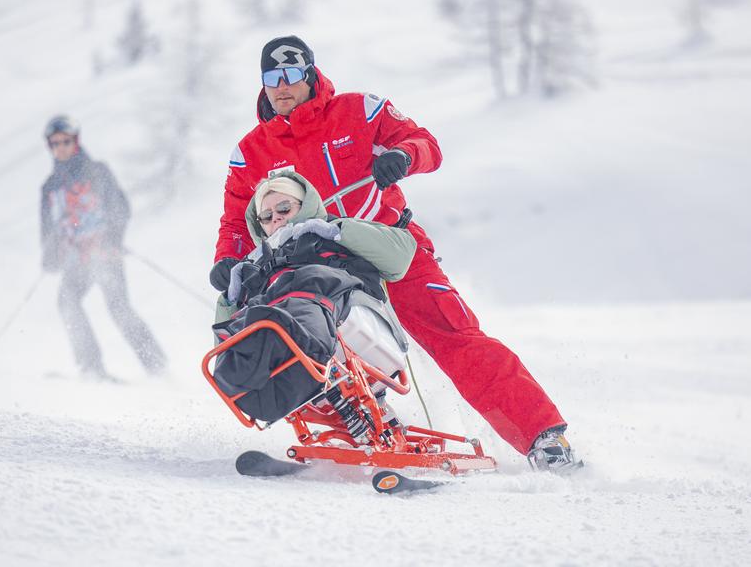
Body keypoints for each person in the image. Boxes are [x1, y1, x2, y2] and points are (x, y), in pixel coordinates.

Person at [211, 36, 580, 471]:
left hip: (390, 244)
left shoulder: (358, 111)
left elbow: (425, 144)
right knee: (307, 338)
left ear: (310, 73)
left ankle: (544, 437)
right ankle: (365, 429)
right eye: (271, 78)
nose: (282, 86)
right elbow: (236, 222)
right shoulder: (251, 152)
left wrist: (403, 156)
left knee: (454, 335)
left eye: (291, 74)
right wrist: (227, 259)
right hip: (319, 263)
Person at [212, 171, 416, 422]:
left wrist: (336, 231)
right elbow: (224, 341)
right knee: (249, 320)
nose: (276, 218)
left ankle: (300, 346)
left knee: (306, 280)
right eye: (266, 216)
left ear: (304, 205)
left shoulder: (333, 230)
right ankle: (252, 377)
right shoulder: (257, 268)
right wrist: (230, 298)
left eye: (284, 208)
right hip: (294, 347)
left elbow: (400, 258)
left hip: (354, 315)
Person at [40, 115, 166, 379]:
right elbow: (48, 227)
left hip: (104, 252)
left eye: (65, 141)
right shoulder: (50, 187)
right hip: (76, 257)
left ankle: (157, 367)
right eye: (54, 144)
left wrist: (113, 237)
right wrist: (50, 253)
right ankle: (91, 367)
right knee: (67, 301)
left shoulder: (96, 171)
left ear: (76, 141)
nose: (60, 148)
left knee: (118, 307)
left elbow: (120, 207)